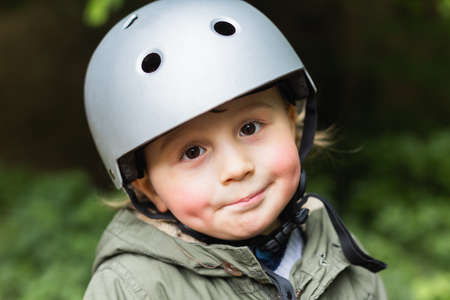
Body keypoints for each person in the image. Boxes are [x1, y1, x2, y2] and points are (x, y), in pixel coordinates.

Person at [83, 0, 388, 299]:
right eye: (192, 152)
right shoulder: (130, 289)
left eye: (249, 128)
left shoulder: (341, 257)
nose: (236, 168)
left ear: (292, 122)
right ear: (148, 188)